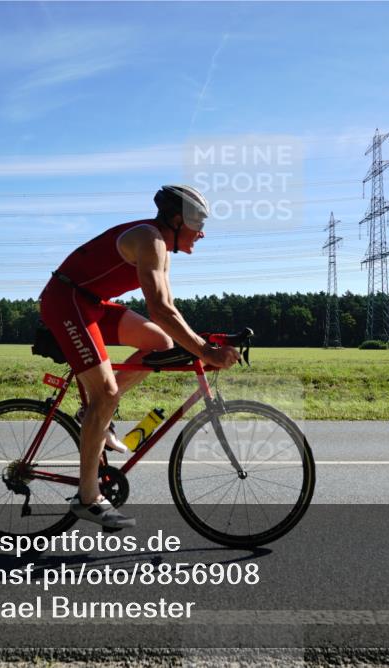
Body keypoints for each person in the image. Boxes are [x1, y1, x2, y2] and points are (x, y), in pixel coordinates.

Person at [38, 185, 241, 529]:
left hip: (92, 302)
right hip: (67, 301)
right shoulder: (150, 239)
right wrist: (205, 350)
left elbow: (169, 312)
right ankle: (88, 497)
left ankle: (95, 414)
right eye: (198, 223)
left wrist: (202, 343)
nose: (202, 233)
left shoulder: (162, 249)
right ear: (176, 220)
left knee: (160, 342)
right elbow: (159, 309)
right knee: (106, 393)